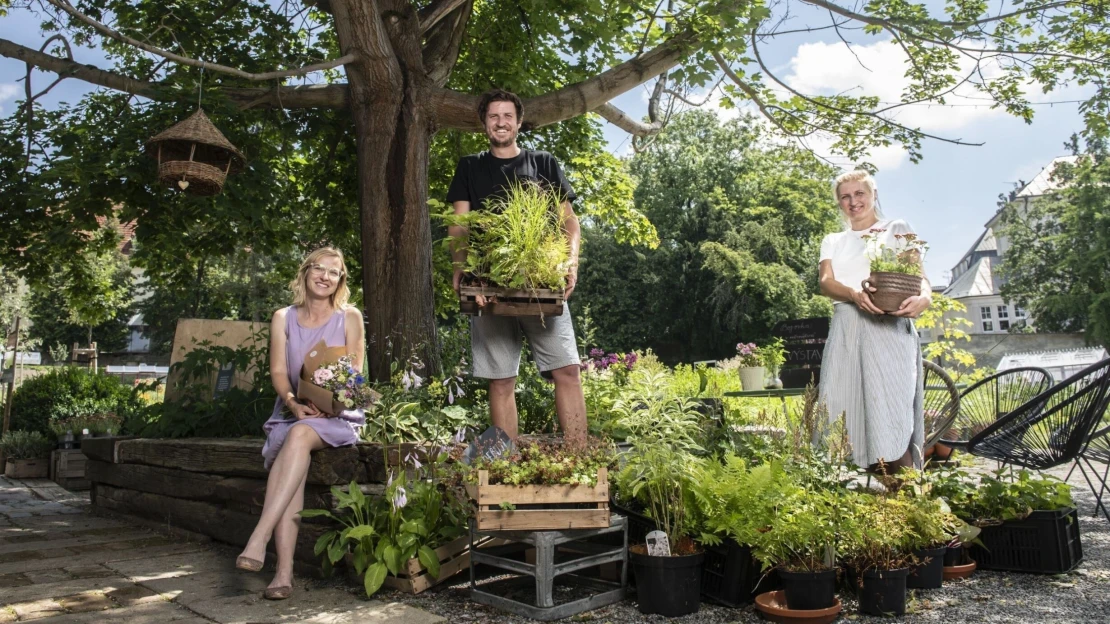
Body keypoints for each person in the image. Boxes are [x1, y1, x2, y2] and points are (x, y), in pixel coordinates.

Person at [446, 88, 587, 446]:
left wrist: (569, 264)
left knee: (567, 370)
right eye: (493, 116)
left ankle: (580, 459)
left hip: (542, 284)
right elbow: (459, 224)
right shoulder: (470, 166)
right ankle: (506, 468)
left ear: (519, 122)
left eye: (507, 116)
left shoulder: (543, 163)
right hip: (488, 282)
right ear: (484, 124)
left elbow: (569, 223)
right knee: (501, 378)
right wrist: (461, 269)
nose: (501, 122)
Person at [235, 247, 366, 599]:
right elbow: (279, 371)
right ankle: (281, 574)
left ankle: (263, 544)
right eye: (319, 269)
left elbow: (355, 373)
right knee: (296, 440)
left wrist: (332, 401)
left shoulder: (350, 316)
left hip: (338, 414)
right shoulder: (283, 317)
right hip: (293, 412)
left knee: (298, 440)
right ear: (306, 273)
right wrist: (293, 403)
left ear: (340, 281)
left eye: (334, 272)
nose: (325, 276)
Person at [817, 170, 931, 472]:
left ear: (874, 194)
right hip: (847, 330)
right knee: (845, 417)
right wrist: (855, 295)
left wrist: (926, 298)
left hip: (889, 331)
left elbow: (920, 277)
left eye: (860, 193)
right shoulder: (833, 240)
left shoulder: (896, 228)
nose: (853, 201)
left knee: (891, 416)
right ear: (839, 202)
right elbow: (826, 282)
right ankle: (865, 507)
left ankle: (912, 506)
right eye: (845, 196)